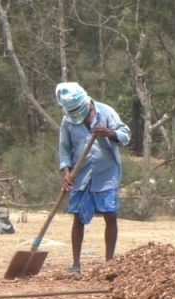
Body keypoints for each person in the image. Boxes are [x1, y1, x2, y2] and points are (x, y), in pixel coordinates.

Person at [55, 82, 130, 277]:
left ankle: (109, 263)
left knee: (110, 215)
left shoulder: (106, 112)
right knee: (78, 218)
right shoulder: (67, 122)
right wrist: (66, 174)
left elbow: (125, 135)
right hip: (80, 176)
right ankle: (76, 265)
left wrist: (109, 133)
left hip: (106, 174)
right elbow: (64, 150)